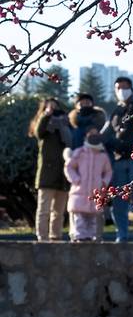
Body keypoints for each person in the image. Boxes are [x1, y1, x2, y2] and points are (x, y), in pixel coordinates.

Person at [103, 74, 133, 242]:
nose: (121, 91)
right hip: (119, 160)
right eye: (118, 88)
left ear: (131, 89)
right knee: (118, 202)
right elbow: (105, 133)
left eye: (125, 87)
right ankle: (121, 236)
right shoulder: (116, 112)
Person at [28, 98, 72, 241]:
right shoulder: (44, 126)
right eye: (49, 106)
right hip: (47, 174)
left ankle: (56, 237)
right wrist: (46, 115)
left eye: (55, 106)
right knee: (44, 210)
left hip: (63, 174)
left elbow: (72, 141)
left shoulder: (66, 124)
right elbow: (39, 132)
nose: (53, 109)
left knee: (59, 212)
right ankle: (42, 237)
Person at [64, 128, 112, 242]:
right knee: (79, 218)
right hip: (79, 191)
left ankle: (90, 237)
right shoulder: (79, 153)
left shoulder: (103, 156)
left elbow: (108, 171)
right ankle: (79, 237)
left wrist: (104, 182)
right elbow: (69, 166)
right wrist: (76, 179)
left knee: (92, 218)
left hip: (95, 191)